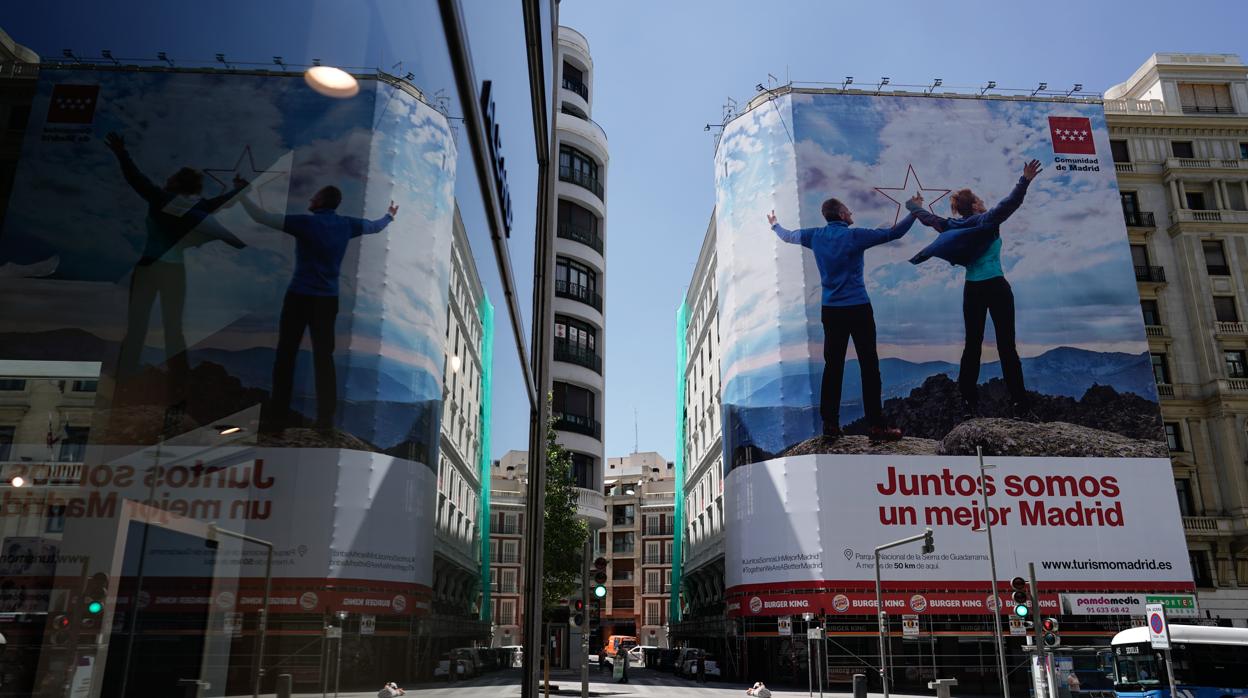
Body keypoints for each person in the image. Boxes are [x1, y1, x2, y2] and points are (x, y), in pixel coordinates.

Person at [235, 179, 397, 431]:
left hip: (299, 296)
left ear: (321, 202)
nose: (310, 200)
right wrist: (389, 216)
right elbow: (374, 227)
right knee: (324, 359)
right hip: (327, 300)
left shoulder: (305, 223)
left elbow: (262, 217)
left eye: (315, 197)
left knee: (285, 356)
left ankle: (276, 419)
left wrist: (242, 195)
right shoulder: (346, 225)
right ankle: (325, 420)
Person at [105, 132, 247, 398]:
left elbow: (137, 180)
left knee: (137, 326)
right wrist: (239, 188)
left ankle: (123, 382)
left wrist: (121, 153)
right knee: (174, 328)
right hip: (174, 271)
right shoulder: (198, 208)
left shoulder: (161, 199)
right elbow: (221, 202)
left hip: (148, 268)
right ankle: (179, 385)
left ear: (174, 182)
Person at [768, 198, 919, 442]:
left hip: (831, 310)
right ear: (840, 213)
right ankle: (877, 427)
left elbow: (788, 236)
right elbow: (893, 233)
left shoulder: (814, 236)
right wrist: (914, 212)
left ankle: (830, 424)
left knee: (833, 367)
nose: (852, 212)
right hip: (858, 307)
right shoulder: (855, 236)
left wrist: (775, 225)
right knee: (869, 367)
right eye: (849, 210)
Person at [906, 160, 1043, 420]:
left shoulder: (951, 225)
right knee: (1006, 347)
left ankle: (968, 403)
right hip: (997, 286)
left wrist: (914, 205)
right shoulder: (987, 221)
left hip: (973, 290)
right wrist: (1024, 180)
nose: (983, 202)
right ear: (976, 205)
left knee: (972, 345)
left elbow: (926, 219)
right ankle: (1020, 405)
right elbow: (1010, 204)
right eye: (980, 199)